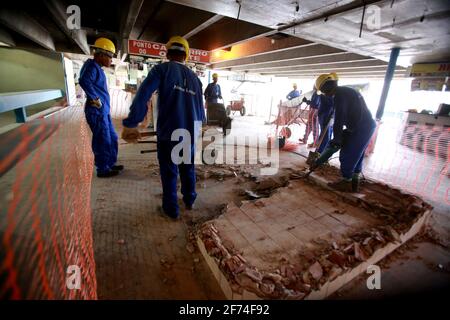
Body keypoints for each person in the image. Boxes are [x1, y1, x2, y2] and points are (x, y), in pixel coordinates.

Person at [121, 36, 205, 220]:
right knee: (187, 167)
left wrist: (131, 123)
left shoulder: (161, 70)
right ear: (186, 55)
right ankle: (190, 200)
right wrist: (199, 129)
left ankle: (171, 209)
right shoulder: (196, 80)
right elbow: (201, 110)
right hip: (189, 134)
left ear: (167, 53)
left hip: (169, 133)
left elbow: (143, 95)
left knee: (169, 172)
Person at [312, 73, 376, 192]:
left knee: (347, 154)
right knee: (358, 153)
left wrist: (337, 139)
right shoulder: (346, 91)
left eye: (324, 92)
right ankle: (355, 181)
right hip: (362, 126)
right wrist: (340, 136)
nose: (326, 95)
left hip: (361, 127)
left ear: (326, 88)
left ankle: (346, 182)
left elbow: (339, 119)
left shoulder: (340, 96)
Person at [79, 37, 123, 178]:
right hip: (96, 111)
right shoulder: (91, 67)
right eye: (110, 56)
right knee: (102, 139)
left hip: (103, 111)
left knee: (112, 137)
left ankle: (109, 163)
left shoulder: (97, 68)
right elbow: (84, 81)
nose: (111, 60)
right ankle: (103, 169)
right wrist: (95, 98)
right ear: (101, 54)